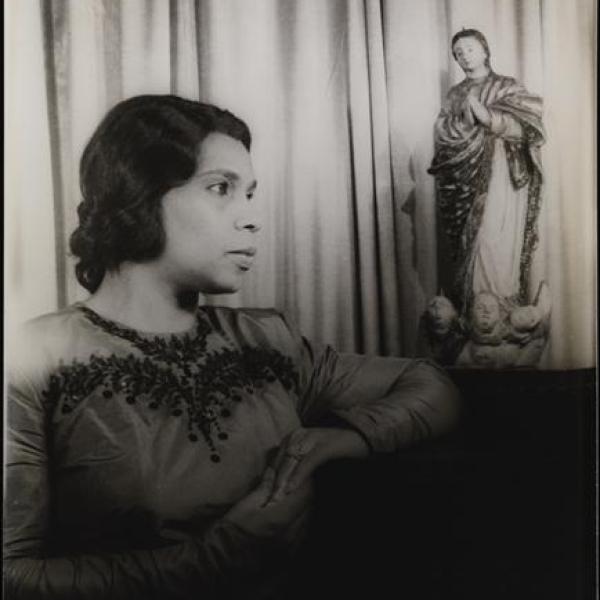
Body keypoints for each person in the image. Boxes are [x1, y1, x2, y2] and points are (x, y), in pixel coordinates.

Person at [4, 95, 461, 600]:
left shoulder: (266, 340)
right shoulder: (33, 358)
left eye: (251, 194)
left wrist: (345, 439)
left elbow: (433, 384)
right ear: (138, 193)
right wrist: (208, 561)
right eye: (221, 188)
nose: (251, 219)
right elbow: (11, 576)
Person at [428, 28, 545, 314]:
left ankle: (502, 304)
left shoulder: (507, 86)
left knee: (497, 238)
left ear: (484, 49)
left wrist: (488, 117)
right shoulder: (455, 95)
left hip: (501, 175)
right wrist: (463, 129)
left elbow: (527, 129)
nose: (464, 56)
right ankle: (473, 307)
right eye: (458, 53)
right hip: (463, 183)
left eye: (469, 49)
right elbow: (443, 135)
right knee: (473, 241)